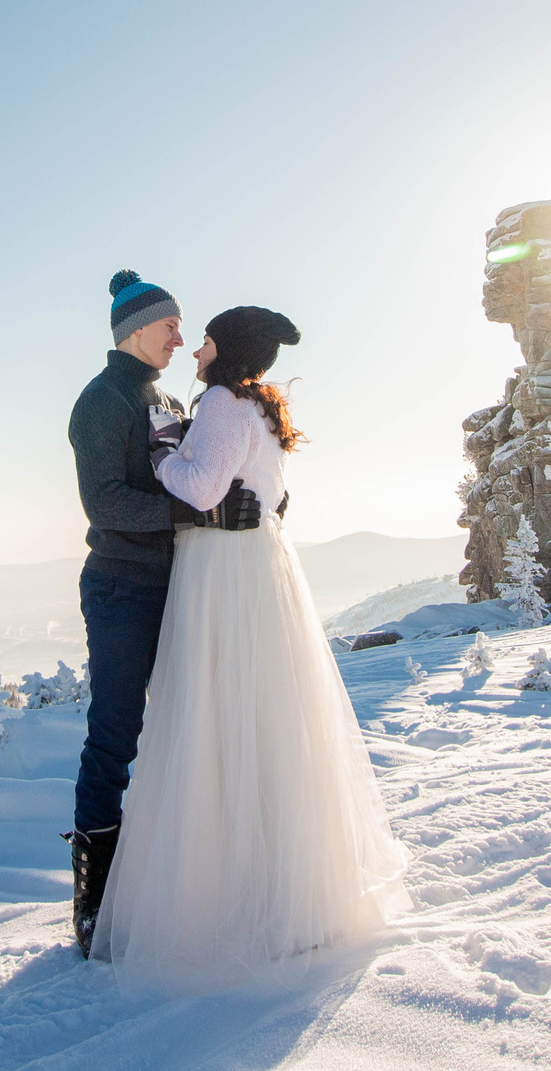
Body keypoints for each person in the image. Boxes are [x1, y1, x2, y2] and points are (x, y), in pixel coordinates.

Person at [89, 305, 409, 990]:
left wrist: (164, 455)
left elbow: (201, 487)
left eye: (204, 338)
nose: (194, 347)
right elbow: (266, 490)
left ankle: (215, 897)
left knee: (213, 715)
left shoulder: (219, 404)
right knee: (265, 720)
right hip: (261, 569)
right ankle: (282, 885)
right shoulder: (262, 406)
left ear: (226, 348)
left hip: (223, 572)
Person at [64, 270, 261, 958]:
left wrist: (255, 498)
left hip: (180, 583)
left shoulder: (170, 398)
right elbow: (106, 502)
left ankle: (175, 885)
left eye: (181, 327)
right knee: (115, 733)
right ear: (135, 329)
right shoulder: (101, 400)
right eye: (171, 326)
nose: (180, 338)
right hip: (122, 585)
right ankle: (93, 899)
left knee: (189, 727)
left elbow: (204, 474)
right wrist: (198, 513)